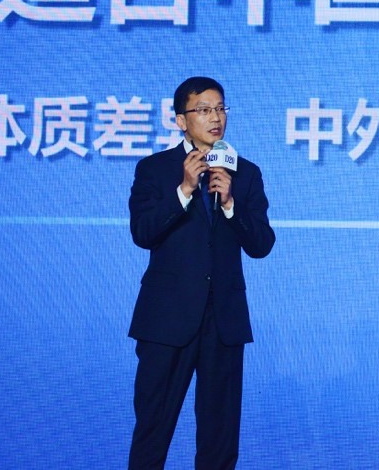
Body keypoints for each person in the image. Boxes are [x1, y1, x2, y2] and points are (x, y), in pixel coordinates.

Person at [127, 76, 276, 470]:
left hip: (223, 322)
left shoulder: (245, 173)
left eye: (221, 109)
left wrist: (230, 205)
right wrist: (184, 190)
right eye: (205, 110)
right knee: (152, 432)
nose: (216, 118)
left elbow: (262, 244)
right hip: (166, 321)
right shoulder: (155, 169)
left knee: (219, 439)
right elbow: (142, 232)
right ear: (181, 120)